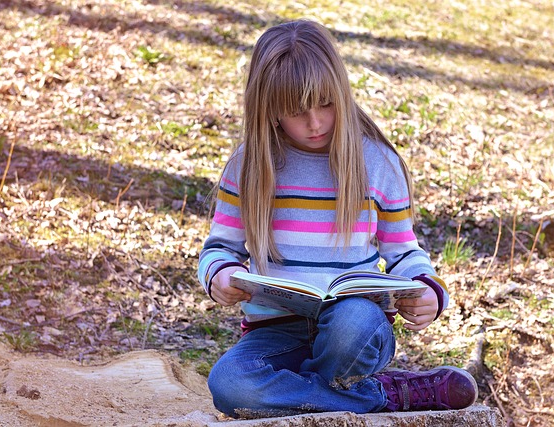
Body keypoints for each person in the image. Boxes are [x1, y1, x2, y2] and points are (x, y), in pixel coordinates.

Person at [198, 19, 477, 418]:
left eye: (326, 103)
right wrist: (220, 276)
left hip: (357, 326)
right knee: (229, 384)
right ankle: (379, 395)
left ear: (342, 93)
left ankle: (301, 397)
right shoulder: (249, 167)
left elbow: (403, 253)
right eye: (296, 111)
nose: (315, 122)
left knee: (351, 324)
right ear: (270, 109)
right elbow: (219, 249)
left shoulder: (377, 163)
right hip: (277, 332)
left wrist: (428, 290)